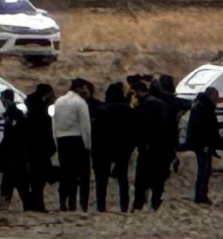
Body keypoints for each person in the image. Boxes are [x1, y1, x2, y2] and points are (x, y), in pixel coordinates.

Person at [134, 75, 180, 210]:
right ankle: (154, 202)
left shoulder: (142, 105)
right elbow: (172, 128)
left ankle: (138, 204)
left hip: (146, 148)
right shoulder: (166, 106)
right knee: (158, 178)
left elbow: (138, 128)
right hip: (162, 148)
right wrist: (174, 148)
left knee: (141, 178)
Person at [52, 80, 94, 212]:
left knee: (66, 173)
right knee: (81, 175)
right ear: (80, 88)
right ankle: (80, 204)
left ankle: (63, 202)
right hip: (77, 140)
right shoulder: (80, 103)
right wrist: (88, 145)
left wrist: (55, 140)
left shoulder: (58, 101)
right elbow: (85, 126)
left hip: (61, 139)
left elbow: (54, 122)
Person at [94, 81, 135, 212]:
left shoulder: (101, 110)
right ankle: (124, 206)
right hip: (123, 147)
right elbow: (132, 132)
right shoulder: (128, 110)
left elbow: (96, 132)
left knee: (102, 179)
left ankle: (101, 205)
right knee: (123, 178)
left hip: (104, 147)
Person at [16, 84, 57, 212]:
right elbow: (45, 129)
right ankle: (37, 205)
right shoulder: (41, 109)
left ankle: (34, 204)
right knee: (39, 178)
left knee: (35, 178)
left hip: (31, 147)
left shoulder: (31, 106)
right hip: (40, 147)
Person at [185, 85, 223, 205]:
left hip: (200, 142)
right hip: (203, 143)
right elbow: (205, 126)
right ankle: (201, 196)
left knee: (205, 169)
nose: (217, 98)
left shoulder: (200, 105)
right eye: (216, 95)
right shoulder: (204, 107)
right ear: (211, 95)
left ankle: (201, 195)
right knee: (204, 170)